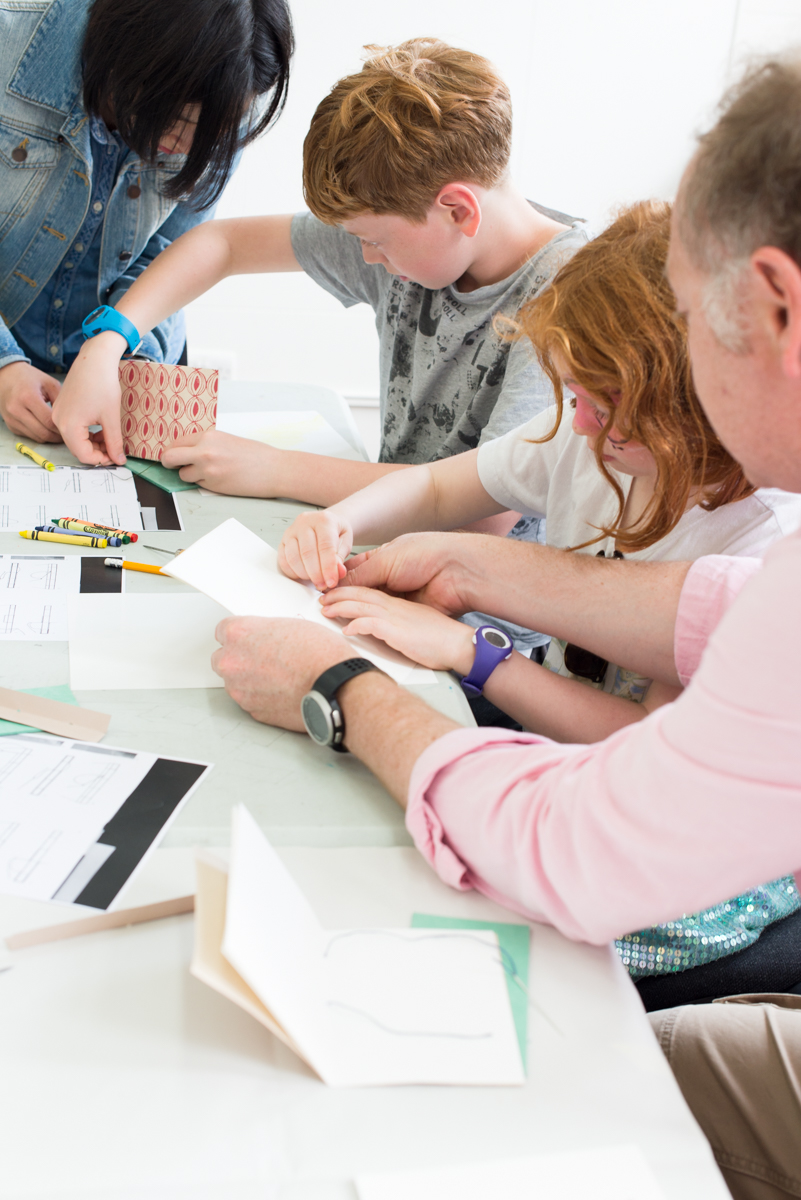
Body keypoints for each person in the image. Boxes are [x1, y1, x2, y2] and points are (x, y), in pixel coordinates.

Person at [210, 56, 801, 1199]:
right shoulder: (676, 519)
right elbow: (701, 620)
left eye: (687, 321)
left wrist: (353, 682)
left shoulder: (763, 534)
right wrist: (467, 573)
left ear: (775, 304)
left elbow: (583, 836)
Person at [52, 39, 588, 670]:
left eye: (373, 241)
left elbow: (479, 517)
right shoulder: (414, 237)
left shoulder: (570, 303)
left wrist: (274, 469)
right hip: (376, 570)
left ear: (457, 209)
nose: (365, 259)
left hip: (480, 643)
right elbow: (220, 245)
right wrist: (107, 340)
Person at [0, 0, 293, 444]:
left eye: (212, 134)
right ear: (133, 55)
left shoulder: (226, 98)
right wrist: (5, 364)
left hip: (120, 369)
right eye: (178, 120)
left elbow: (170, 256)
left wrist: (123, 353)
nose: (188, 149)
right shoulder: (12, 43)